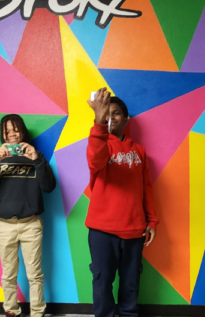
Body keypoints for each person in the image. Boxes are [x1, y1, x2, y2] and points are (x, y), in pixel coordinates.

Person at [85, 88, 159, 317]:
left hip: (134, 231)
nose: (110, 117)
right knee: (102, 283)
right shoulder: (100, 144)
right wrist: (98, 121)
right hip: (102, 231)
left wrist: (152, 221)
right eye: (106, 113)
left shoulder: (140, 151)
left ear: (126, 119)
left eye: (116, 113)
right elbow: (95, 160)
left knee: (130, 282)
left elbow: (146, 187)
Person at [0, 114, 56, 317]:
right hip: (4, 225)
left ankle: (38, 312)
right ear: (2, 133)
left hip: (31, 224)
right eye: (7, 130)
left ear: (23, 131)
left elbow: (49, 187)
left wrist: (35, 158)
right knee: (8, 274)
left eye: (16, 129)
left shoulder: (36, 156)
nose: (12, 134)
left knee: (34, 274)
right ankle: (11, 310)